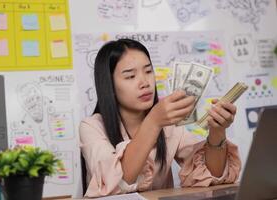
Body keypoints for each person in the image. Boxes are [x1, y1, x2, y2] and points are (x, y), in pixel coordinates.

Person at [79, 39, 241, 197]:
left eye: (148, 71)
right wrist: (153, 121)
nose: (145, 82)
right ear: (109, 85)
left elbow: (211, 176)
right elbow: (116, 183)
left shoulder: (169, 124)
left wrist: (217, 131)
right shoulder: (91, 127)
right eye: (130, 76)